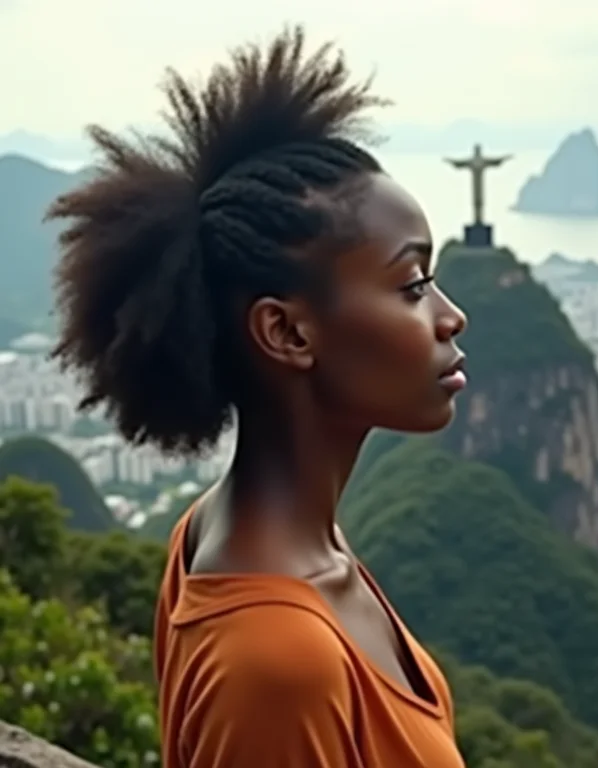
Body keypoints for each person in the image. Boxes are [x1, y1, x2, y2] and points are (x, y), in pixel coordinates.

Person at [48, 26, 468, 768]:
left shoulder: (229, 531)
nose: (448, 315)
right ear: (285, 332)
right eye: (411, 285)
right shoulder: (277, 663)